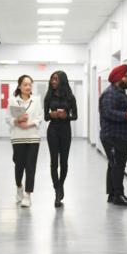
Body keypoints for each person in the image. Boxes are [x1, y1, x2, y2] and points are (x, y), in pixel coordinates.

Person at [98, 64, 127, 206]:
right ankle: (118, 195)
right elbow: (107, 112)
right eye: (126, 76)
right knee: (118, 166)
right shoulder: (110, 93)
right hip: (113, 136)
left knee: (114, 165)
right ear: (119, 78)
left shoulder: (118, 92)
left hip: (119, 136)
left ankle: (112, 194)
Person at [7, 74, 43, 208]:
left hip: (33, 137)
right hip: (17, 138)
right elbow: (7, 119)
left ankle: (28, 195)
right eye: (25, 84)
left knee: (30, 166)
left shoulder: (36, 100)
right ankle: (19, 187)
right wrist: (16, 121)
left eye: (30, 84)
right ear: (20, 86)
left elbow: (40, 117)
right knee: (19, 166)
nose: (28, 87)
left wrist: (29, 124)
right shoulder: (13, 101)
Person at [44, 70, 78, 208]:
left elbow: (75, 116)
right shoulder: (48, 96)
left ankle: (61, 184)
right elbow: (45, 117)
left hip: (65, 131)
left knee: (64, 162)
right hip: (52, 130)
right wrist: (51, 115)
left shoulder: (70, 97)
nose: (53, 81)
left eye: (56, 79)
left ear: (62, 81)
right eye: (52, 79)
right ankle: (57, 190)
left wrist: (66, 116)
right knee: (54, 162)